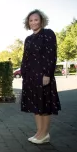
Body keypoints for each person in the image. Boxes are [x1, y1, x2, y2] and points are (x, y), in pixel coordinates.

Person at [21, 9, 61, 144]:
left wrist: (47, 74)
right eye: (31, 20)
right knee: (35, 106)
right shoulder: (28, 39)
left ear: (41, 21)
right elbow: (25, 57)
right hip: (30, 77)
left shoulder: (48, 34)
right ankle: (39, 133)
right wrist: (24, 73)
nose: (33, 22)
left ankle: (45, 134)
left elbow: (51, 56)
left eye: (36, 20)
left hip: (43, 75)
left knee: (44, 106)